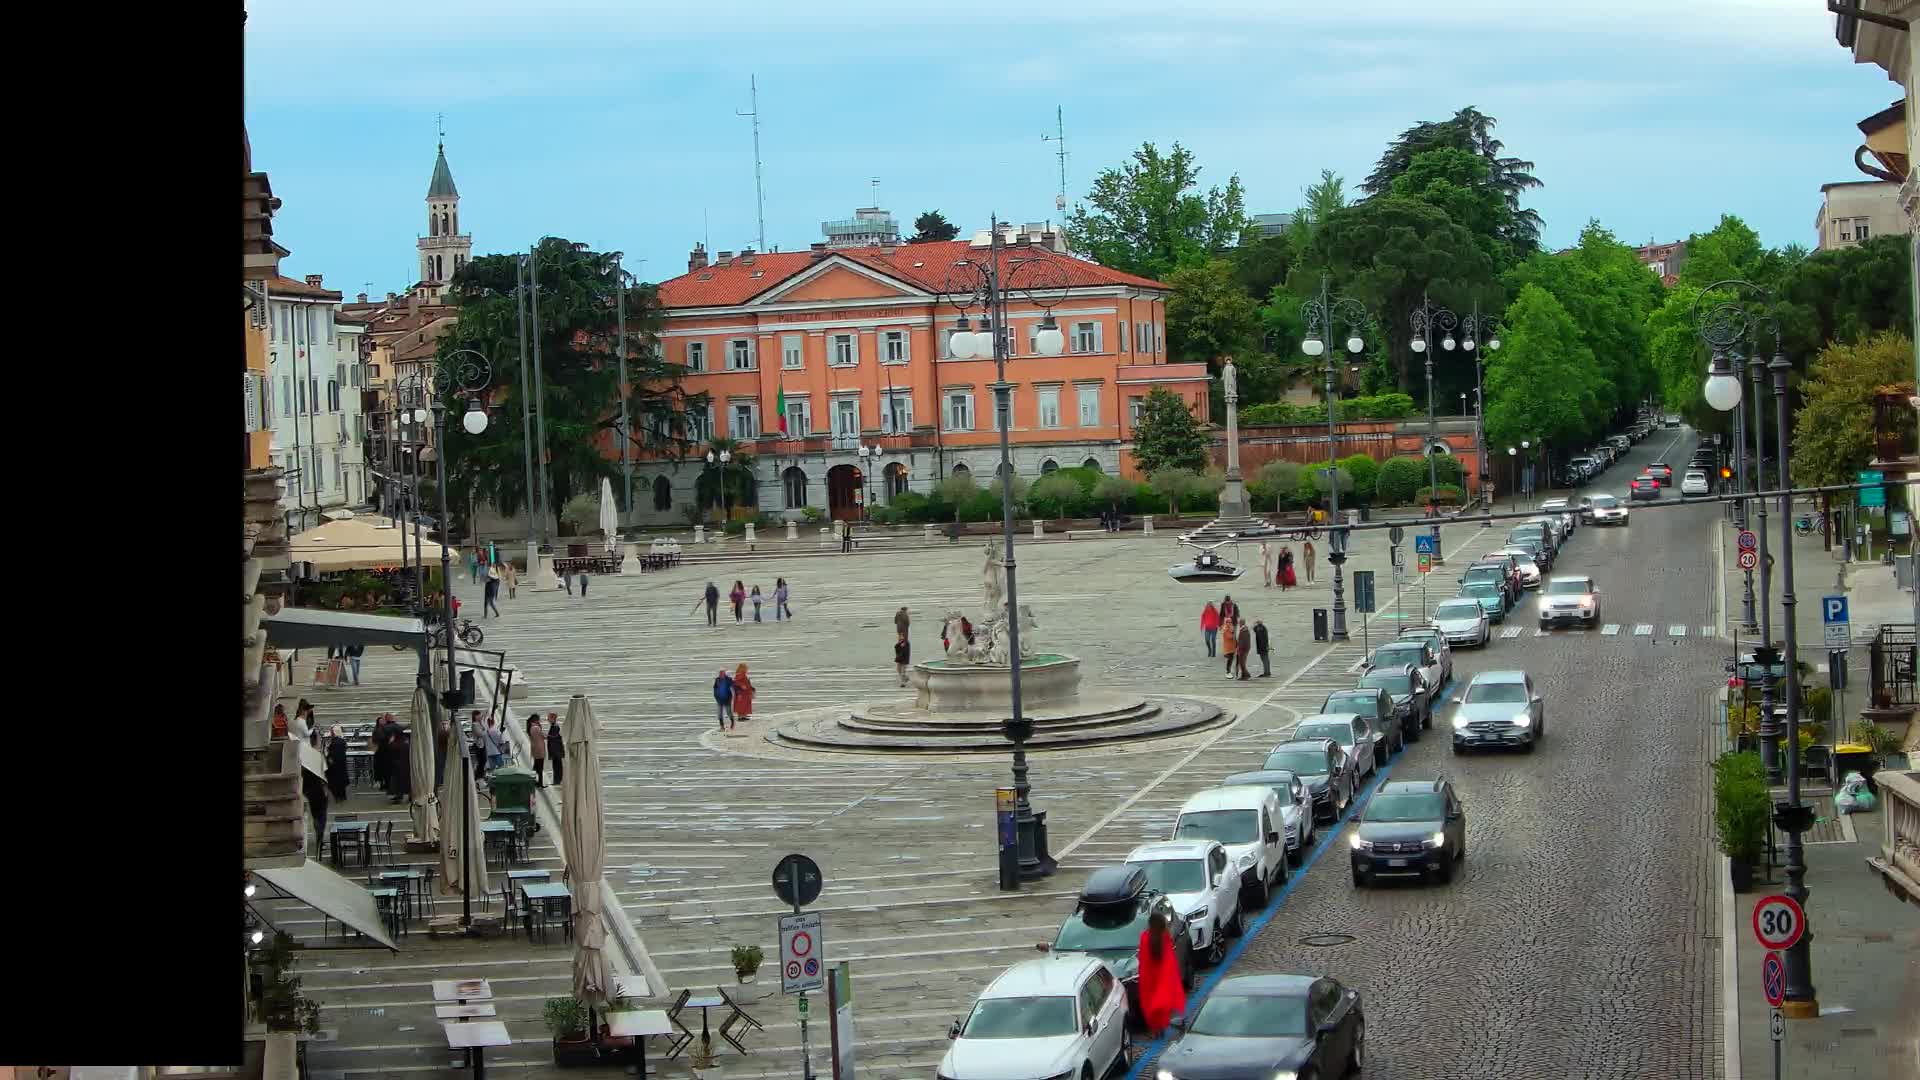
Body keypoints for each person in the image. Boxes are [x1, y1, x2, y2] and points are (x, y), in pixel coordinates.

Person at [1136, 910, 1187, 1036]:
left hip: (1149, 977)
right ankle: (1162, 1026)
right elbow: (1169, 956)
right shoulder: (1165, 937)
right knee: (1161, 1002)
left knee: (1150, 1003)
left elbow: (1142, 957)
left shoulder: (1144, 936)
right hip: (1161, 975)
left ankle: (1155, 1029)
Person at [388, 729, 412, 805]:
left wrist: (391, 742)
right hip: (406, 764)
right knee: (406, 781)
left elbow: (391, 749)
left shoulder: (396, 743)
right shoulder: (406, 741)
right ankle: (409, 795)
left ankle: (399, 796)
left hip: (398, 765)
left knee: (398, 782)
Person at [326, 725, 349, 801]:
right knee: (341, 779)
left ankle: (338, 796)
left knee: (335, 780)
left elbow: (331, 753)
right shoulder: (342, 741)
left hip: (335, 764)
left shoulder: (334, 742)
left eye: (332, 732)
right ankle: (343, 795)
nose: (331, 733)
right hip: (342, 763)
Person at [528, 712, 548, 786]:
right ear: (536, 720)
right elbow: (543, 736)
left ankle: (534, 781)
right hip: (540, 750)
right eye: (539, 720)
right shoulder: (536, 728)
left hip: (535, 750)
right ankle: (539, 783)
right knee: (540, 768)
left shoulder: (531, 727)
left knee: (536, 766)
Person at [545, 712, 566, 786]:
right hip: (556, 751)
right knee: (556, 766)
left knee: (557, 766)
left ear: (553, 718)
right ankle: (557, 780)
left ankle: (557, 780)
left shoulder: (555, 727)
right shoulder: (554, 726)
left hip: (556, 751)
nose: (547, 719)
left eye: (549, 718)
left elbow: (554, 737)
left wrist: (547, 736)